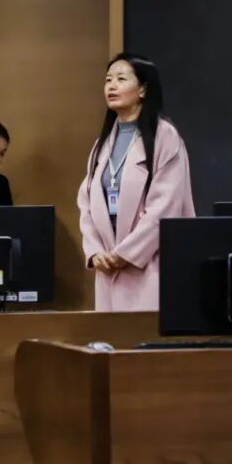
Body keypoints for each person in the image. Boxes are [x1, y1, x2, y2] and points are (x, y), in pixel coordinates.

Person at [77, 52, 195, 312]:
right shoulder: (102, 144)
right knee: (111, 335)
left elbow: (165, 207)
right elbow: (86, 204)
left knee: (144, 333)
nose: (112, 86)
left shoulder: (165, 137)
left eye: (121, 79)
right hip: (108, 268)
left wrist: (125, 254)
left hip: (150, 266)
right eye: (108, 80)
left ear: (143, 89)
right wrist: (96, 252)